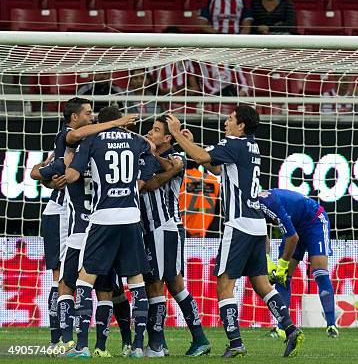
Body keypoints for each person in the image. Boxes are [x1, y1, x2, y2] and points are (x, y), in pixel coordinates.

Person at [165, 106, 305, 358]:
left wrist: (177, 134)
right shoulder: (251, 146)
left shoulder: (234, 143)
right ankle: (291, 328)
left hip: (238, 224)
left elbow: (201, 157)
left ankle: (236, 343)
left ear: (241, 126)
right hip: (257, 224)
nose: (226, 123)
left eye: (230, 119)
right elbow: (217, 168)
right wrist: (190, 143)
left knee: (224, 285)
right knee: (262, 284)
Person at [63, 106, 154, 358]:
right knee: (136, 281)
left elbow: (72, 176)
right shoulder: (136, 141)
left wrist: (68, 168)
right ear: (120, 122)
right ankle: (137, 347)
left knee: (84, 279)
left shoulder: (91, 140)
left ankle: (81, 346)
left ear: (100, 122)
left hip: (103, 218)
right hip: (131, 218)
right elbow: (152, 152)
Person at [140, 116, 211, 357]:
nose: (150, 133)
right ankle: (197, 338)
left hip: (165, 226)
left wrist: (146, 151)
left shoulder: (176, 158)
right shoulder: (149, 157)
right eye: (150, 129)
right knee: (172, 283)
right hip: (153, 228)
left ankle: (158, 344)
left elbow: (150, 183)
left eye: (156, 130)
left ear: (168, 137)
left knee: (157, 283)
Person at [259, 189, 338, 338]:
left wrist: (282, 264)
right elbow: (262, 234)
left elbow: (292, 237)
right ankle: (282, 327)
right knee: (283, 278)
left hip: (314, 221)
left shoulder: (268, 203)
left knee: (319, 272)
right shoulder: (250, 206)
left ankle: (331, 325)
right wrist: (267, 260)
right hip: (294, 226)